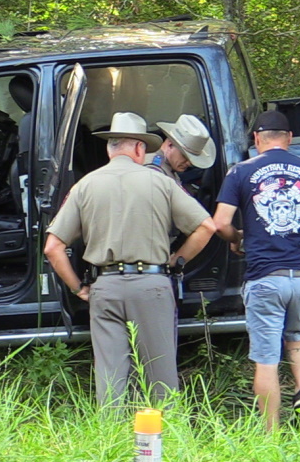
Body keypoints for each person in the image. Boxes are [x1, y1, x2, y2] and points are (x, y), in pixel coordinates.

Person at [44, 112, 216, 406]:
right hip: (152, 285)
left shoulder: (85, 185)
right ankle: (165, 444)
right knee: (160, 379)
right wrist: (176, 260)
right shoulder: (161, 182)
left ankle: (112, 444)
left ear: (109, 147)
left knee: (110, 382)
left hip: (105, 288)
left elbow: (52, 248)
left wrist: (78, 289)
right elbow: (207, 226)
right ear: (139, 148)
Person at [212, 110, 300, 430]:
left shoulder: (240, 172)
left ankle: (271, 435)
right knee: (298, 334)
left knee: (266, 358)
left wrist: (238, 239)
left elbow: (220, 223)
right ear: (289, 139)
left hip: (265, 277)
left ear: (256, 139)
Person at [146, 114, 217, 194]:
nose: (189, 163)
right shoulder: (154, 171)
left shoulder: (167, 166)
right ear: (170, 145)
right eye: (185, 156)